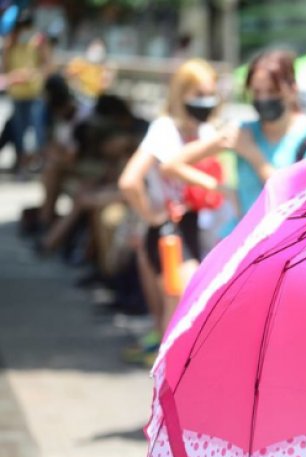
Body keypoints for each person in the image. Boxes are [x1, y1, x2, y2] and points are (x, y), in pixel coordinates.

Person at [161, 49, 306, 236]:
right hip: (242, 242)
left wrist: (252, 154)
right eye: (257, 92)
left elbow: (298, 199)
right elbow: (171, 165)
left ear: (293, 90)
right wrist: (221, 189)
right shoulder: (242, 131)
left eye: (272, 91)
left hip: (288, 244)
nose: (263, 99)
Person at [118, 58, 221, 365]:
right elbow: (129, 181)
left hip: (191, 228)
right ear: (181, 94)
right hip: (170, 232)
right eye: (199, 93)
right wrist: (152, 215)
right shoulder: (164, 129)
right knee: (178, 313)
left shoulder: (204, 130)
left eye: (210, 93)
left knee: (177, 311)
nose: (206, 100)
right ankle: (169, 392)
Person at [2, 9, 52, 175]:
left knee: (37, 132)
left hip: (35, 93)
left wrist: (35, 74)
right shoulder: (11, 41)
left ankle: (39, 165)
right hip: (17, 94)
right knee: (19, 131)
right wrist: (12, 77)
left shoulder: (38, 41)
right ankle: (21, 164)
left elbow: (48, 64)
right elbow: (5, 67)